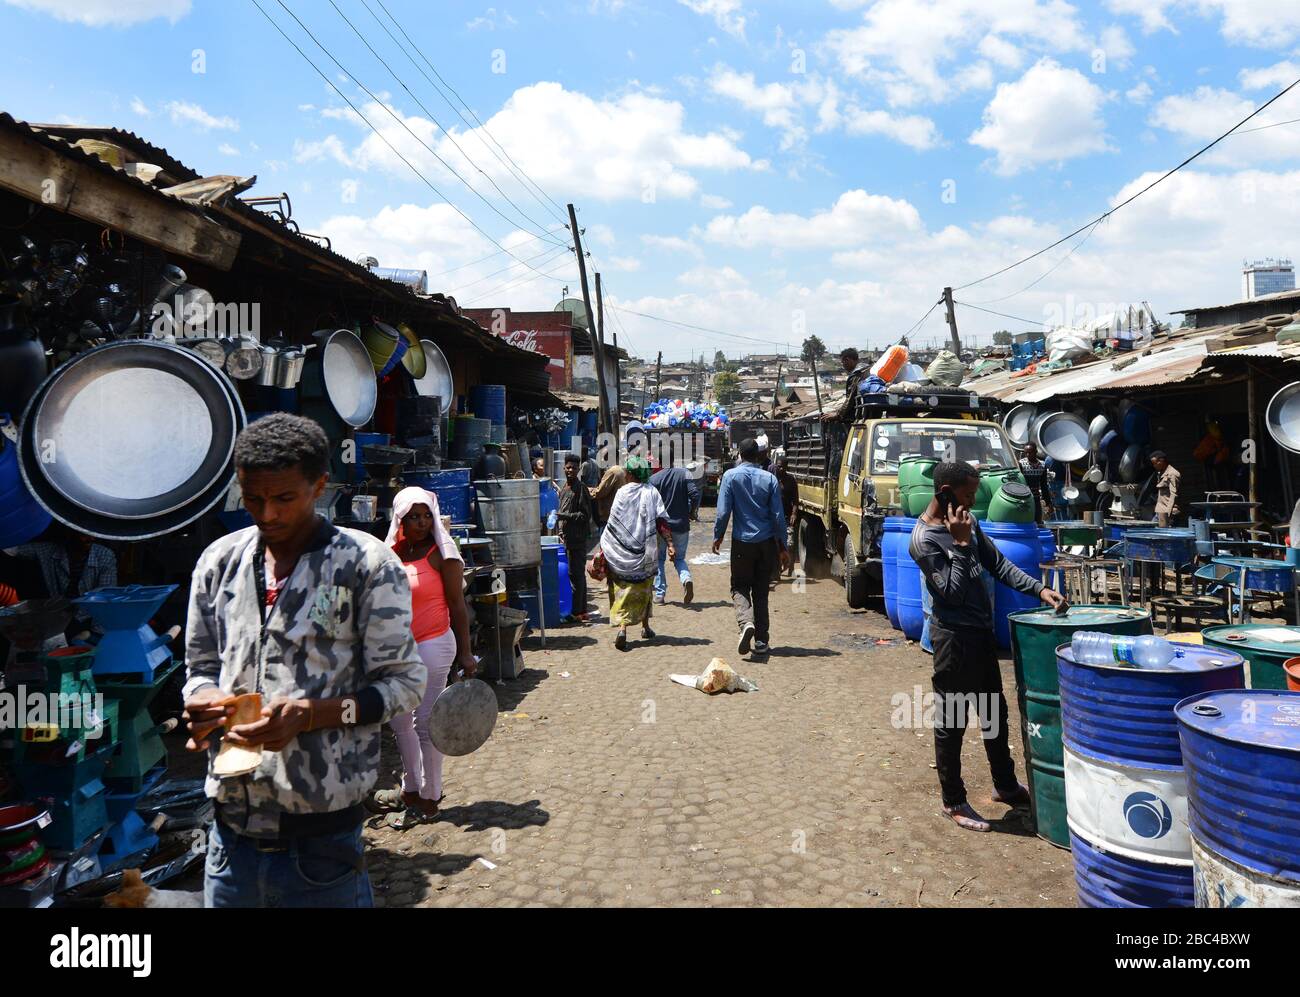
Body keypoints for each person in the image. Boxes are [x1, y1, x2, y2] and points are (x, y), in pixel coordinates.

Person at [182, 413, 426, 908]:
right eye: (253, 498)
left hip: (322, 850)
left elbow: (405, 685)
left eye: (284, 498)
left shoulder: (367, 565)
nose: (267, 514)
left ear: (319, 486)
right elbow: (199, 667)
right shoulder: (217, 563)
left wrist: (313, 715)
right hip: (229, 846)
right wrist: (204, 700)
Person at [909, 460, 1065, 833]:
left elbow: (997, 564)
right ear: (945, 493)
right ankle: (954, 800)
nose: (974, 501)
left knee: (994, 714)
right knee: (952, 722)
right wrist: (961, 545)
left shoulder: (969, 522)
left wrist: (1038, 589)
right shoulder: (925, 540)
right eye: (968, 494)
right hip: (953, 641)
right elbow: (951, 592)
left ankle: (1005, 784)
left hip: (980, 636)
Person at [368, 487, 477, 829]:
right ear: (399, 519)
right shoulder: (391, 554)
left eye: (426, 515)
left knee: (426, 721)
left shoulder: (441, 554)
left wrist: (466, 653)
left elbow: (458, 606)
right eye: (413, 517)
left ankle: (431, 798)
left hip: (433, 644)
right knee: (400, 721)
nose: (421, 523)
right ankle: (410, 788)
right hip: (397, 649)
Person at [712, 437, 790, 658]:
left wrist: (717, 536)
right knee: (761, 592)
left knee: (739, 586)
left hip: (742, 543)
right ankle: (762, 641)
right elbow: (778, 516)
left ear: (739, 455)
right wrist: (783, 546)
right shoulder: (770, 479)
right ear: (759, 455)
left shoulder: (730, 476)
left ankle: (746, 622)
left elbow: (723, 512)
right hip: (766, 544)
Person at [600, 455, 674, 651]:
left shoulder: (622, 493)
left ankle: (623, 629)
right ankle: (645, 626)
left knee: (622, 591)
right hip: (645, 552)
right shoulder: (652, 493)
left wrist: (605, 547)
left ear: (631, 474)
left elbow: (613, 523)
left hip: (619, 553)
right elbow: (661, 522)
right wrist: (670, 543)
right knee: (644, 590)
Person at [649, 457, 699, 605]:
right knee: (679, 559)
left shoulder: (653, 479)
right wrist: (692, 513)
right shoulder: (685, 474)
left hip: (661, 527)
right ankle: (686, 579)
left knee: (659, 560)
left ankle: (660, 594)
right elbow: (695, 495)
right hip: (681, 525)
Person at [556, 453, 595, 620]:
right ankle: (578, 609)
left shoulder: (581, 488)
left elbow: (585, 516)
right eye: (568, 467)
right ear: (564, 468)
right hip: (567, 539)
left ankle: (578, 611)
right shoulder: (565, 488)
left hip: (578, 539)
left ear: (579, 469)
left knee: (577, 574)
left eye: (574, 467)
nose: (570, 470)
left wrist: (565, 516)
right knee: (571, 574)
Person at [772, 454, 799, 576]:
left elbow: (796, 500)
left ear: (787, 467)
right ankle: (777, 570)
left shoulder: (791, 481)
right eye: (779, 467)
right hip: (775, 519)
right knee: (775, 545)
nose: (781, 469)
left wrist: (794, 513)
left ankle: (791, 566)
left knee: (790, 544)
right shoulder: (771, 480)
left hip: (788, 517)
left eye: (783, 467)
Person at [827, 348, 869, 423]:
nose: (843, 366)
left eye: (843, 362)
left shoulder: (856, 375)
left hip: (859, 415)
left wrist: (838, 414)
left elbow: (850, 399)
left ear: (847, 360)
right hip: (871, 412)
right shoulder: (868, 369)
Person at [1018, 442, 1053, 524]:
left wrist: (1048, 503)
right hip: (1024, 499)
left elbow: (1044, 485)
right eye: (1025, 452)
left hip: (1036, 499)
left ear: (1036, 452)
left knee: (1038, 521)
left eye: (1030, 452)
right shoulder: (1021, 464)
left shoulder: (1042, 465)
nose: (1027, 455)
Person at [1150, 451, 1181, 527]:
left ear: (1161, 461)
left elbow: (1174, 494)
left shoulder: (1172, 474)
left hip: (1167, 511)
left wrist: (1168, 513)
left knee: (1164, 535)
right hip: (1160, 510)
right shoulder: (1161, 473)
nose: (1154, 466)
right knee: (1152, 530)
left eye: (1155, 463)